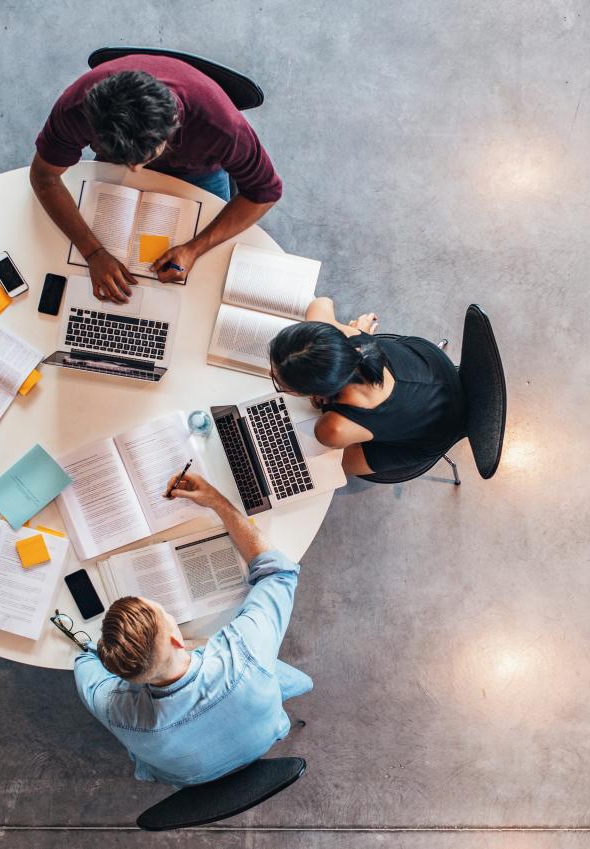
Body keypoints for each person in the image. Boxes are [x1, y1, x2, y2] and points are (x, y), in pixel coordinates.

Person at [73, 472, 311, 787]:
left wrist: (101, 650)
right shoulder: (244, 655)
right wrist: (217, 501)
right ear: (176, 638)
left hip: (189, 778)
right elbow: (278, 573)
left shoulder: (117, 710)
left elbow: (84, 663)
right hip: (265, 735)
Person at [30, 55, 283, 303]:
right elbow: (44, 177)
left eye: (144, 158)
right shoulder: (76, 107)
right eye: (126, 161)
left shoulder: (221, 127)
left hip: (200, 170)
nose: (136, 171)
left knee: (204, 277)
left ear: (174, 124)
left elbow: (265, 192)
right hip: (124, 161)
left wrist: (195, 248)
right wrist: (93, 252)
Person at [268, 298, 467, 478]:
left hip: (436, 433)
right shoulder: (349, 337)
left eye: (279, 383)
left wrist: (327, 404)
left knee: (323, 466)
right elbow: (321, 303)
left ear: (313, 392)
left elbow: (331, 434)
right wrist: (352, 332)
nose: (270, 375)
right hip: (434, 368)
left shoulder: (331, 429)